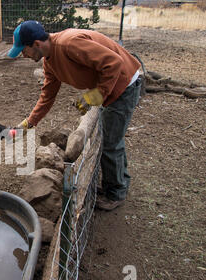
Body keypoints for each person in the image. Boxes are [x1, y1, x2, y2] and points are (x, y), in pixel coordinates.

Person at [8, 20, 142, 211]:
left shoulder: (68, 44)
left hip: (124, 85)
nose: (23, 55)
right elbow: (47, 96)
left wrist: (97, 94)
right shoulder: (50, 62)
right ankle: (118, 182)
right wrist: (29, 123)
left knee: (111, 142)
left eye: (24, 50)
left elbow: (114, 63)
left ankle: (116, 194)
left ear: (36, 44)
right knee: (111, 138)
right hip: (111, 87)